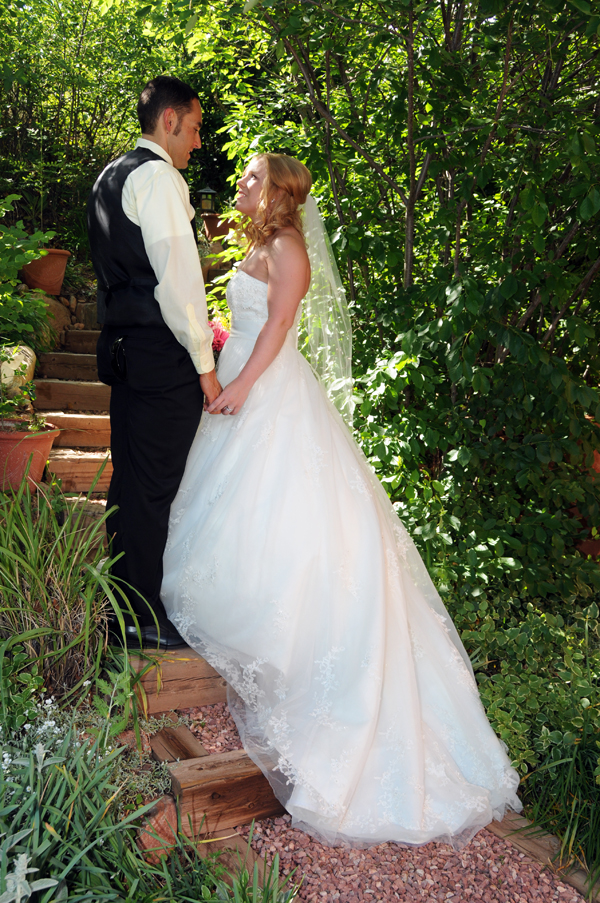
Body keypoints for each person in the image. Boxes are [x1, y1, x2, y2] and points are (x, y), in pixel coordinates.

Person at [161, 153, 522, 847]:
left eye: (250, 177)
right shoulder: (259, 244)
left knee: (287, 515)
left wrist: (238, 387)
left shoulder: (289, 248)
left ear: (276, 191)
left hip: (268, 392)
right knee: (232, 509)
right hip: (241, 377)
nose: (240, 183)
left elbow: (276, 328)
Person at [87, 76, 221, 649]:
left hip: (123, 349)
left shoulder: (109, 176)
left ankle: (122, 606)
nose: (197, 143)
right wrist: (205, 365)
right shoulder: (159, 178)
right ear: (168, 121)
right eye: (193, 129)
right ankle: (139, 615)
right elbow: (180, 284)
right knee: (155, 487)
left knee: (134, 481)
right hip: (160, 354)